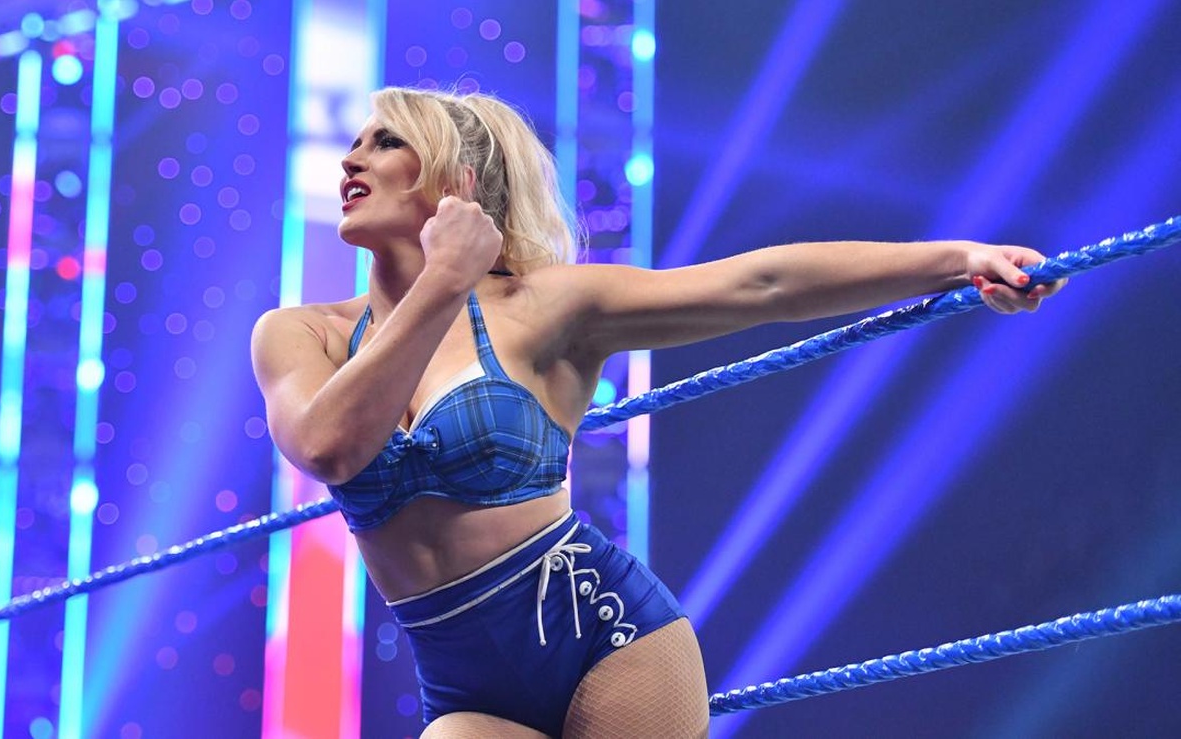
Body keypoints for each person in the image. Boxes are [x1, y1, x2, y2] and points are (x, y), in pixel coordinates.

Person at [250, 86, 1064, 738]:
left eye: (386, 141)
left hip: (608, 640)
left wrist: (959, 260)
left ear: (455, 178)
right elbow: (328, 447)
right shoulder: (298, 334)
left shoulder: (544, 307)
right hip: (462, 684)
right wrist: (442, 280)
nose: (352, 158)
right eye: (355, 142)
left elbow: (761, 285)